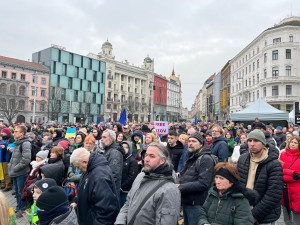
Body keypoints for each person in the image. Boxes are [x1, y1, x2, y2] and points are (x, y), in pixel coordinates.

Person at [115, 142, 181, 225]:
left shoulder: (169, 189)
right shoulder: (141, 176)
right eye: (146, 155)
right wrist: (120, 222)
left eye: (152, 156)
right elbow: (128, 203)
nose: (146, 159)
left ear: (162, 160)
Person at [237, 129, 283, 224]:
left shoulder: (274, 164)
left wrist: (254, 215)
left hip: (264, 216)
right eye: (249, 141)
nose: (252, 144)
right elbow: (238, 185)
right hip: (243, 212)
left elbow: (273, 195)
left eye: (256, 141)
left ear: (263, 143)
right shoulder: (242, 159)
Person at [70, 148, 119, 225]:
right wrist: (77, 201)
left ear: (85, 161)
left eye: (78, 166)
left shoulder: (100, 176)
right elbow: (84, 188)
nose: (78, 169)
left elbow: (106, 209)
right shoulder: (88, 169)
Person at [178, 132, 215, 225]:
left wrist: (180, 187)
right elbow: (184, 175)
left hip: (196, 204)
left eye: (194, 141)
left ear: (201, 144)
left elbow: (203, 183)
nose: (190, 143)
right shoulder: (190, 156)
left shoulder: (206, 159)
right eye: (189, 141)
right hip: (187, 201)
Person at [8, 125, 31, 218]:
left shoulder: (25, 143)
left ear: (22, 133)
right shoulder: (17, 142)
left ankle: (22, 209)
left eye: (16, 131)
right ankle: (18, 207)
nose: (14, 133)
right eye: (14, 131)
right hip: (15, 172)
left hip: (21, 172)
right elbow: (16, 157)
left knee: (21, 192)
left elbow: (26, 160)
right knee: (17, 191)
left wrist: (15, 168)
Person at [279, 136, 300, 224]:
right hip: (285, 189)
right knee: (286, 216)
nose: (293, 144)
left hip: (297, 191)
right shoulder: (283, 155)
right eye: (292, 142)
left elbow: (298, 176)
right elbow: (279, 171)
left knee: (296, 217)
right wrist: (292, 173)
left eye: (295, 143)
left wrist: (286, 175)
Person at [101, 130, 124, 200]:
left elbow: (113, 175)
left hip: (109, 194)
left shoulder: (115, 153)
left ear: (111, 139)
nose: (102, 139)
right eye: (102, 137)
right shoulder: (108, 151)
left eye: (104, 137)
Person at [120, 141, 138, 207]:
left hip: (126, 191)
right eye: (122, 147)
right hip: (118, 189)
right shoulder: (120, 158)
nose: (124, 149)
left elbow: (132, 177)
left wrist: (122, 187)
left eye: (126, 147)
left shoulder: (132, 160)